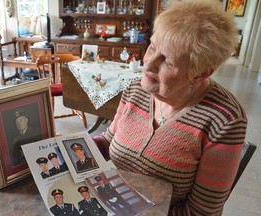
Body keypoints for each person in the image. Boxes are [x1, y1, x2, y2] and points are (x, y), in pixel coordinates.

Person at [92, 0, 247, 215]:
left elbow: (201, 212)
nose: (148, 63)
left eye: (168, 61)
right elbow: (108, 141)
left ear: (201, 73)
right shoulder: (136, 89)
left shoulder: (224, 119)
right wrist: (68, 151)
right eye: (152, 47)